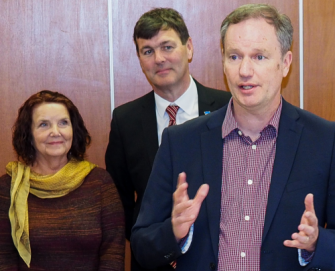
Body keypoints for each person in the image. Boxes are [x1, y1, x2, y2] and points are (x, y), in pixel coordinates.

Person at [131, 4, 335, 271]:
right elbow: (141, 243)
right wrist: (174, 233)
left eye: (259, 57)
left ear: (285, 64)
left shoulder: (324, 140)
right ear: (224, 61)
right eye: (235, 57)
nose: (245, 71)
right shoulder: (180, 141)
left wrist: (316, 244)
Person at [105, 7, 231, 271]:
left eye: (167, 47)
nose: (159, 59)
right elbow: (121, 203)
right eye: (148, 51)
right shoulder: (125, 120)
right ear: (140, 59)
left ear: (189, 48)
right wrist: (161, 245)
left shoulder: (227, 107)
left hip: (221, 258)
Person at [0, 90, 125, 270]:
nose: (55, 132)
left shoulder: (99, 183)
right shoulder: (8, 188)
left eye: (63, 123)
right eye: (44, 124)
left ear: (74, 129)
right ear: (29, 134)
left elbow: (113, 253)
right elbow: (4, 258)